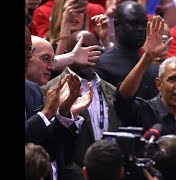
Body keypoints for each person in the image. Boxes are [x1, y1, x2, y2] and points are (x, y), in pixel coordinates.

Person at [42, 30, 122, 179]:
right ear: (68, 53)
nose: (89, 54)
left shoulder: (112, 90)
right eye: (83, 48)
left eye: (94, 49)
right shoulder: (50, 90)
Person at [114, 15, 176, 140]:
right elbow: (123, 98)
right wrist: (147, 57)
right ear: (159, 84)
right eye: (172, 79)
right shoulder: (142, 111)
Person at [25, 26, 93, 180]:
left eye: (29, 50)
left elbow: (49, 150)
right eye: (45, 58)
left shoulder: (33, 90)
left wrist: (64, 113)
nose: (52, 67)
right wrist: (46, 114)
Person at [96, 0, 160, 100]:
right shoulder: (101, 65)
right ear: (117, 25)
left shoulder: (154, 69)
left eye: (144, 24)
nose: (140, 29)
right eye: (133, 23)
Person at [29, 0, 105, 38]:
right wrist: (64, 33)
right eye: (69, 11)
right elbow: (55, 66)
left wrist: (105, 41)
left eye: (79, 11)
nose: (74, 15)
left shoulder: (96, 9)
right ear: (60, 14)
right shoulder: (42, 11)